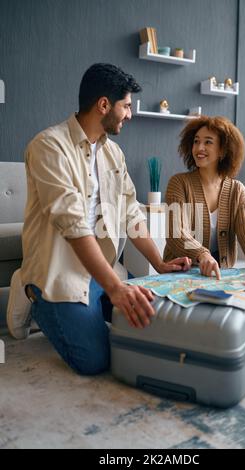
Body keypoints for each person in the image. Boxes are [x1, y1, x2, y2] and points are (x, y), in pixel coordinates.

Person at [8, 63, 191, 375]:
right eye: (127, 106)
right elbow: (73, 223)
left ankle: (98, 298)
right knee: (95, 362)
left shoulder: (113, 154)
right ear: (104, 105)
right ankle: (27, 286)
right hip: (58, 275)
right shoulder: (48, 146)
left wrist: (159, 264)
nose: (130, 114)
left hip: (102, 272)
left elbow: (132, 212)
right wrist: (117, 289)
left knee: (152, 321)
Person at [163, 115, 245, 279]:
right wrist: (202, 255)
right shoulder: (178, 183)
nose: (199, 147)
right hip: (179, 272)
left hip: (219, 275)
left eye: (208, 142)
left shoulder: (237, 190)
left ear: (222, 150)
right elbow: (175, 233)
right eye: (196, 141)